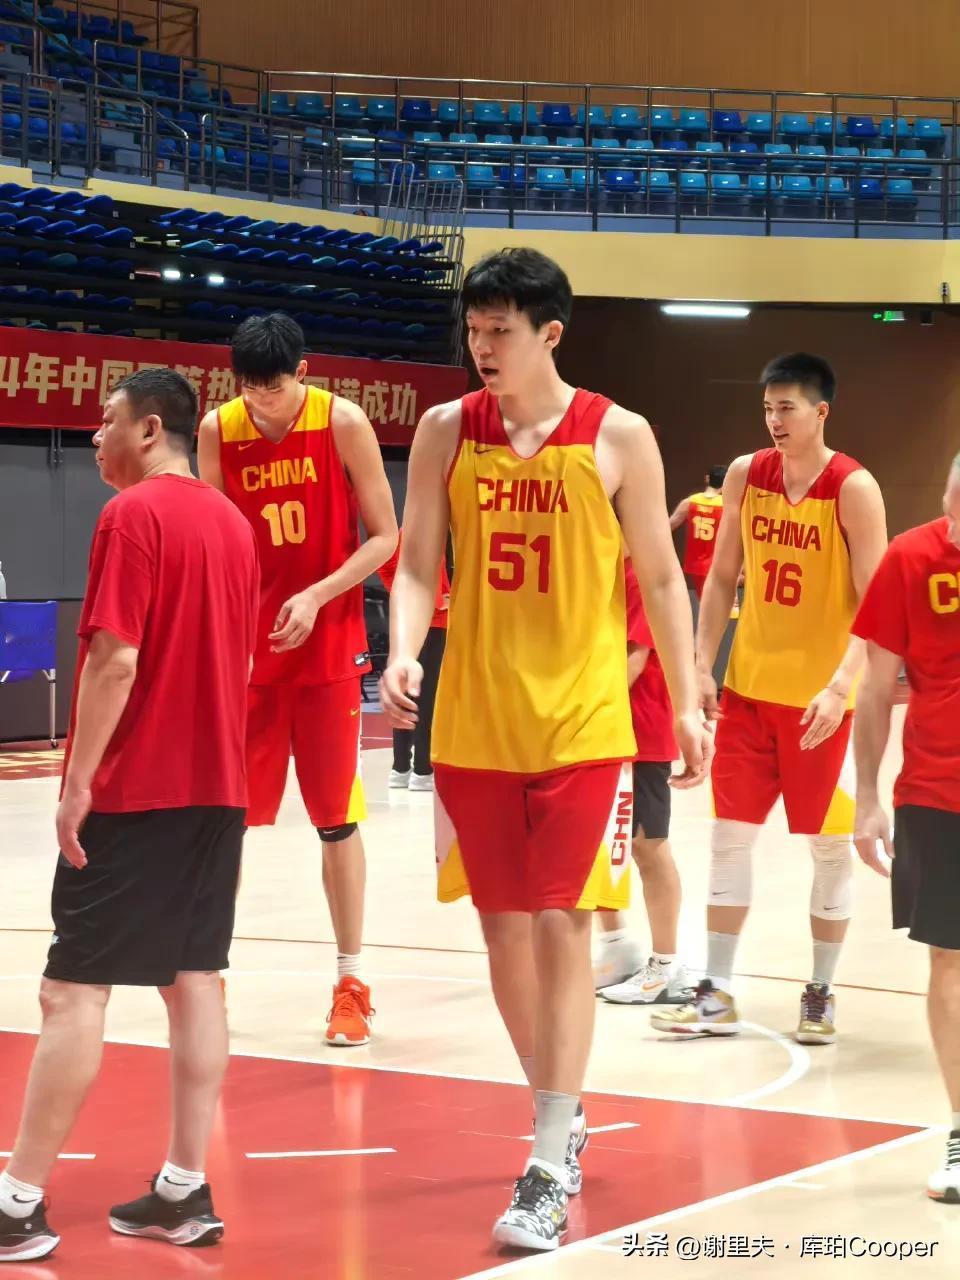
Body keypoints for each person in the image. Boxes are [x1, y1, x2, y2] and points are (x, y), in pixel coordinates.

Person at [380, 248, 712, 1252]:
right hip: (474, 720)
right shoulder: (446, 429)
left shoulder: (618, 434)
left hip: (584, 722)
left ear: (550, 333)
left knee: (565, 923)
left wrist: (688, 698)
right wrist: (402, 650)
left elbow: (662, 576)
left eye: (501, 331)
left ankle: (547, 1156)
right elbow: (417, 564)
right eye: (473, 330)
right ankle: (557, 1116)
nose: (482, 347)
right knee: (502, 933)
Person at [0, 370, 258, 1263]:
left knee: (71, 989)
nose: (94, 434)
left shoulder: (131, 515)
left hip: (139, 787)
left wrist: (77, 783)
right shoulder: (233, 525)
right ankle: (184, 1188)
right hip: (219, 787)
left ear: (149, 430)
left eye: (105, 420)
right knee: (195, 982)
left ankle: (18, 1204)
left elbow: (115, 658)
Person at [652, 353, 887, 1045]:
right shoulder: (745, 474)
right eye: (767, 408)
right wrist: (701, 664)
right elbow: (721, 575)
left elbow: (877, 604)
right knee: (728, 840)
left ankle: (821, 992)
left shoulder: (854, 488)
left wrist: (840, 685)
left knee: (829, 849)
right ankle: (717, 994)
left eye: (787, 408)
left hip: (824, 705)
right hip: (750, 691)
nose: (774, 420)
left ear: (821, 412)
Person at [198, 313, 397, 1048]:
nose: (261, 402)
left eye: (274, 389)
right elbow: (214, 541)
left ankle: (351, 984)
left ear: (303, 372)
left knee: (336, 821)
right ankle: (206, 973)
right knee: (225, 823)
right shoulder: (219, 429)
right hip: (248, 659)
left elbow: (386, 537)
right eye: (249, 389)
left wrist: (316, 595)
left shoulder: (342, 422)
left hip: (326, 651)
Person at [852, 454, 960, 1202]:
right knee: (949, 960)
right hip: (937, 790)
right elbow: (875, 683)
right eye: (953, 509)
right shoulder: (910, 557)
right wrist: (865, 795)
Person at [593, 557, 692, 1004]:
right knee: (601, 842)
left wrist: (580, 705)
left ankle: (666, 965)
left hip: (640, 731)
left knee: (648, 846)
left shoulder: (638, 574)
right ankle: (616, 949)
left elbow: (634, 658)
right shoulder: (594, 567)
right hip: (600, 730)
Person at [378, 528, 449, 791]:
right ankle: (422, 769)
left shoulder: (408, 531)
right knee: (426, 697)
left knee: (408, 693)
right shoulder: (430, 531)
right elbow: (387, 564)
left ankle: (400, 767)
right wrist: (438, 600)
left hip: (414, 622)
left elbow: (386, 564)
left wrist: (401, 595)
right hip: (433, 624)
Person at [670, 465, 727, 599]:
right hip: (718, 563)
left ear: (707, 479)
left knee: (705, 600)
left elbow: (669, 526)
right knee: (721, 603)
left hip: (696, 564)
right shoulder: (726, 505)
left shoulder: (689, 502)